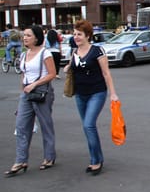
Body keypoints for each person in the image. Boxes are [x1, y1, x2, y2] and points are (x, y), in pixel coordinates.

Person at [64, 20, 118, 176]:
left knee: (89, 125)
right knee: (87, 127)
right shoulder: (74, 52)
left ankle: (96, 161)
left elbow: (106, 73)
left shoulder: (97, 51)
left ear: (87, 35)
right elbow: (71, 66)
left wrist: (112, 93)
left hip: (97, 92)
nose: (76, 37)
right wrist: (68, 67)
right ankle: (95, 158)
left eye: (79, 34)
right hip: (80, 94)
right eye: (74, 34)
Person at [5, 25, 57, 177]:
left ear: (36, 37)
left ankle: (49, 157)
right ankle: (21, 160)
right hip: (27, 93)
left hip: (42, 92)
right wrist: (24, 89)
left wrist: (34, 84)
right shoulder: (23, 54)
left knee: (45, 125)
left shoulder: (45, 53)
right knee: (21, 126)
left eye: (28, 35)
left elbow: (52, 74)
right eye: (24, 35)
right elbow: (24, 74)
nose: (24, 38)